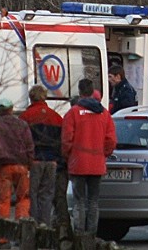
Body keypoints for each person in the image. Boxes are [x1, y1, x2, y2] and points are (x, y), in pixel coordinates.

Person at [61, 78, 116, 240]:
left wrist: (68, 156)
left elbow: (66, 140)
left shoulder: (73, 113)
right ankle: (91, 234)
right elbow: (111, 140)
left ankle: (79, 234)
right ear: (92, 92)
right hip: (97, 164)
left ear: (80, 92)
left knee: (79, 201)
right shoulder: (104, 114)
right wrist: (102, 154)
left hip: (78, 163)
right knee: (93, 201)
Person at [0, 96, 35, 241]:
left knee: (3, 201)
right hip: (22, 166)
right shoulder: (22, 125)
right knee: (23, 199)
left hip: (2, 167)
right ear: (11, 109)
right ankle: (22, 235)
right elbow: (30, 146)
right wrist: (29, 163)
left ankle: (3, 237)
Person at [19, 85, 63, 228]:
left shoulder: (25, 116)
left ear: (31, 98)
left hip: (34, 160)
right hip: (52, 161)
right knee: (47, 194)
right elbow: (61, 141)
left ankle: (34, 225)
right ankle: (45, 224)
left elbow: (21, 140)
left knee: (32, 194)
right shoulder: (56, 117)